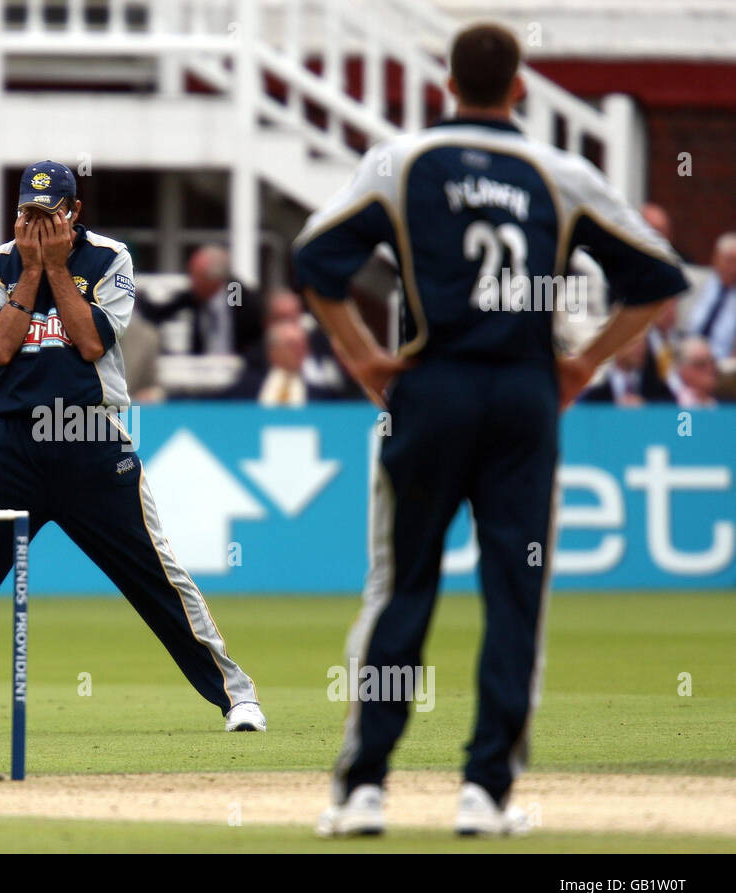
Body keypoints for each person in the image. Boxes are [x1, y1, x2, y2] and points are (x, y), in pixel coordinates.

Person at [293, 23, 688, 837]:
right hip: (522, 395)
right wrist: (583, 365)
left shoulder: (398, 162)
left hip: (429, 387)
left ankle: (364, 786)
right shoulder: (560, 171)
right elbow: (656, 280)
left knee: (401, 585)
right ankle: (485, 791)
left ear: (446, 82)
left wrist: (364, 354)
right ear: (518, 87)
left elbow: (315, 259)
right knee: (516, 592)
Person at [0, 160, 264, 739]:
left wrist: (58, 268)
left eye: (51, 214)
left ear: (75, 213)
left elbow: (92, 341)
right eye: (29, 213)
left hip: (88, 431)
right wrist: (31, 272)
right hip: (10, 437)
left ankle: (235, 697)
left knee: (154, 572)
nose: (38, 225)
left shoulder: (111, 259)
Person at [142, 244, 264, 356]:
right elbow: (160, 313)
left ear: (214, 280)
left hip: (238, 364)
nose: (192, 282)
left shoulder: (238, 295)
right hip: (203, 367)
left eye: (197, 277)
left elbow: (254, 332)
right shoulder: (193, 296)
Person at [578, 335, 674, 405]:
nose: (640, 348)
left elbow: (670, 411)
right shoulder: (595, 390)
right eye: (633, 342)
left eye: (643, 342)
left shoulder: (656, 386)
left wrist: (646, 406)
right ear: (614, 345)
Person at [686, 232, 736, 361]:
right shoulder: (695, 281)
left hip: (720, 362)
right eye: (729, 260)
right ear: (716, 258)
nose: (733, 268)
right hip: (685, 352)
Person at [675, 336, 720, 408]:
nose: (710, 368)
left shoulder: (723, 404)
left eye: (712, 362)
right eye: (700, 364)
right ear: (683, 370)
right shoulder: (672, 404)